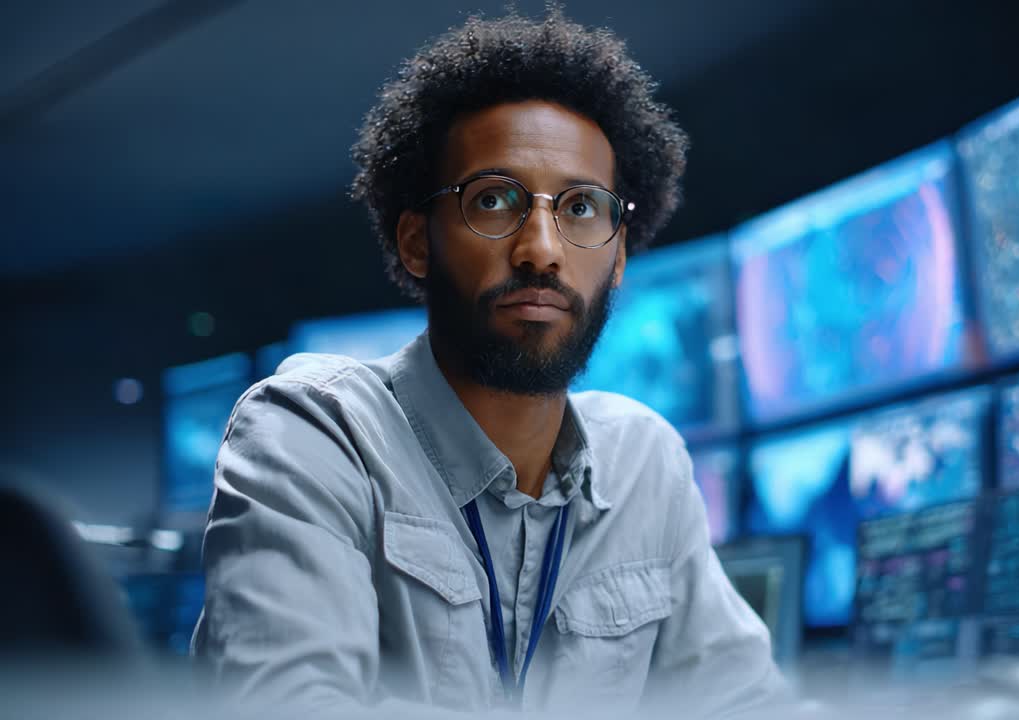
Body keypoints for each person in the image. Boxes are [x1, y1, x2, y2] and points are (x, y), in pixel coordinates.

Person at [192, 7, 788, 715]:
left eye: (582, 208)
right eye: (495, 200)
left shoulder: (645, 464)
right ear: (417, 243)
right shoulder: (312, 433)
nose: (541, 247)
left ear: (620, 253)